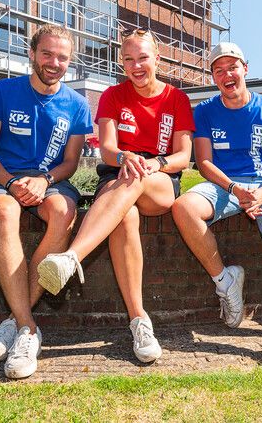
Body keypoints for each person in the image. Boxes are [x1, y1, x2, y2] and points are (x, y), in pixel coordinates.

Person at [36, 28, 195, 363]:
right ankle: (139, 321)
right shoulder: (112, 95)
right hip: (117, 175)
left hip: (160, 179)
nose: (136, 65)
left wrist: (152, 163)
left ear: (157, 59)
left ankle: (72, 257)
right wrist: (125, 157)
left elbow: (183, 155)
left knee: (135, 180)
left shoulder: (176, 99)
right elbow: (107, 150)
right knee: (125, 216)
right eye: (128, 59)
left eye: (143, 58)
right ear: (121, 63)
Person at [171, 41, 262, 367]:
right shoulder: (203, 111)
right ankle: (225, 282)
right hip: (224, 184)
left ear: (245, 69)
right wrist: (235, 188)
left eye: (232, 67)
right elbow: (202, 162)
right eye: (218, 69)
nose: (226, 74)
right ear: (214, 76)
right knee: (182, 207)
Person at [0, 24, 93, 379]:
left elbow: (71, 162)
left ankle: (12, 322)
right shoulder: (2, 91)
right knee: (5, 211)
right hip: (3, 179)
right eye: (47, 54)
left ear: (69, 61)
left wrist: (44, 180)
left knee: (64, 211)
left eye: (62, 57)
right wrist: (12, 183)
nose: (54, 62)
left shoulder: (76, 104)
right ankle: (28, 328)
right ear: (32, 53)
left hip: (51, 182)